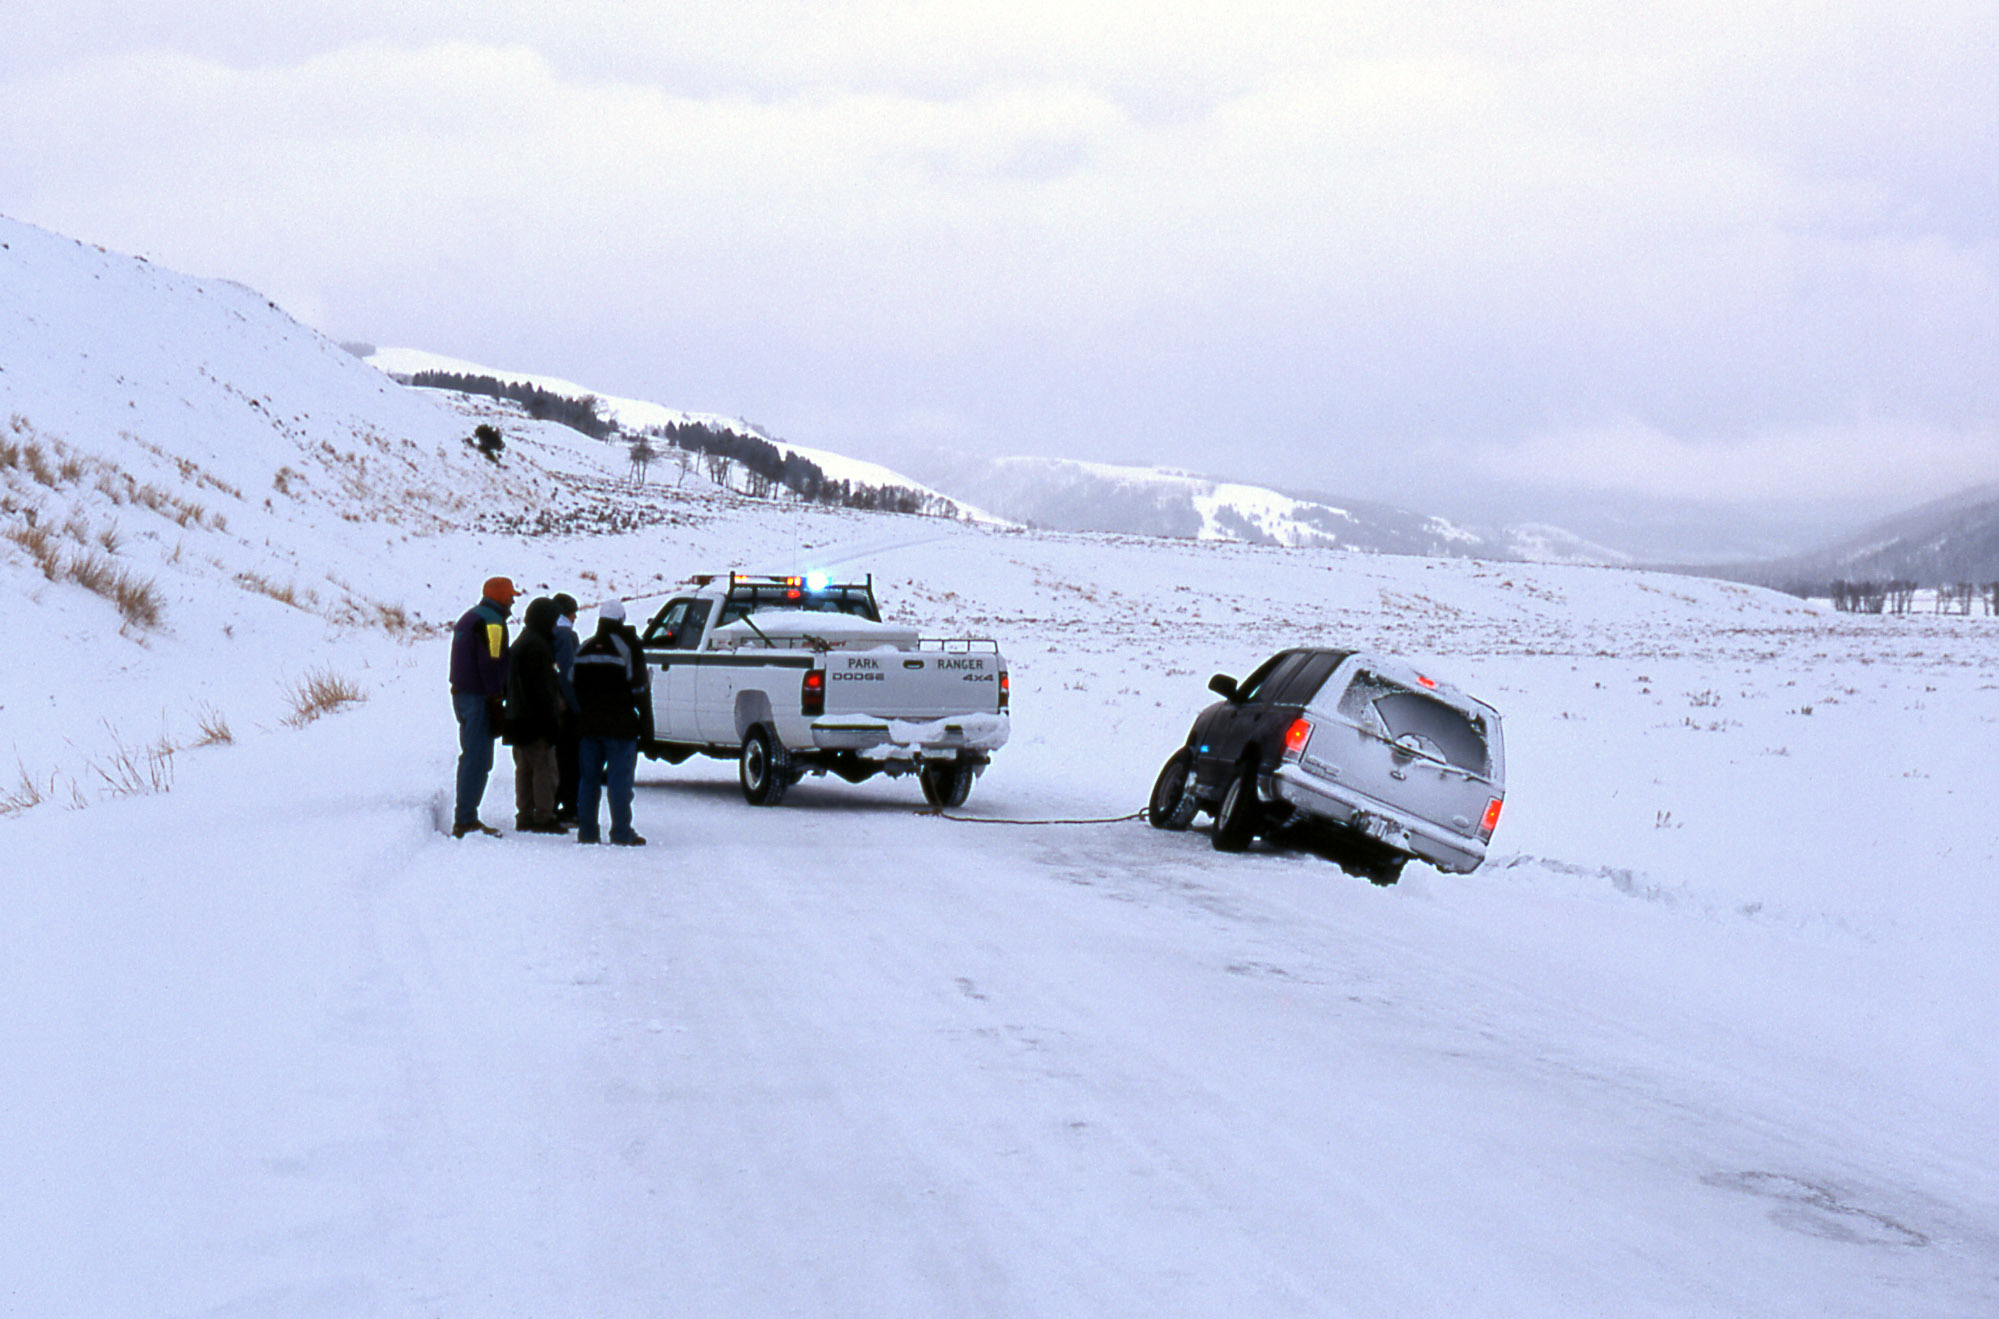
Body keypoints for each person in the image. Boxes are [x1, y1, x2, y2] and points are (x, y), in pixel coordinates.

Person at [572, 598, 652, 846]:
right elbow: (640, 689)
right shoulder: (628, 648)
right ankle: (621, 833)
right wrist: (647, 728)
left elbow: (572, 686)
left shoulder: (584, 648)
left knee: (588, 781)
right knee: (619, 783)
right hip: (620, 728)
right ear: (621, 619)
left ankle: (587, 833)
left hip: (588, 728)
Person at [448, 576, 519, 838]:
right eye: (511, 596)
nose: (513, 601)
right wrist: (495, 698)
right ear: (501, 596)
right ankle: (466, 820)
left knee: (472, 756)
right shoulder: (492, 622)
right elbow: (491, 662)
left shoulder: (471, 616)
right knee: (478, 759)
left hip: (463, 694)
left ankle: (466, 816)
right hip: (478, 697)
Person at [503, 596, 569, 833]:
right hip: (534, 719)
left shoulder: (524, 642)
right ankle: (543, 816)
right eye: (552, 620)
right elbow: (540, 689)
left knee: (524, 768)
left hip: (517, 717)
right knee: (544, 768)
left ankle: (525, 814)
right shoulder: (538, 647)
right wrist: (551, 721)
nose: (555, 625)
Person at [550, 593, 582, 824]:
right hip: (564, 708)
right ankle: (570, 807)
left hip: (546, 705)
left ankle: (549, 803)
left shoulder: (544, 630)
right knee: (569, 759)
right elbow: (568, 673)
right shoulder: (567, 636)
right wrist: (576, 705)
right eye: (574, 612)